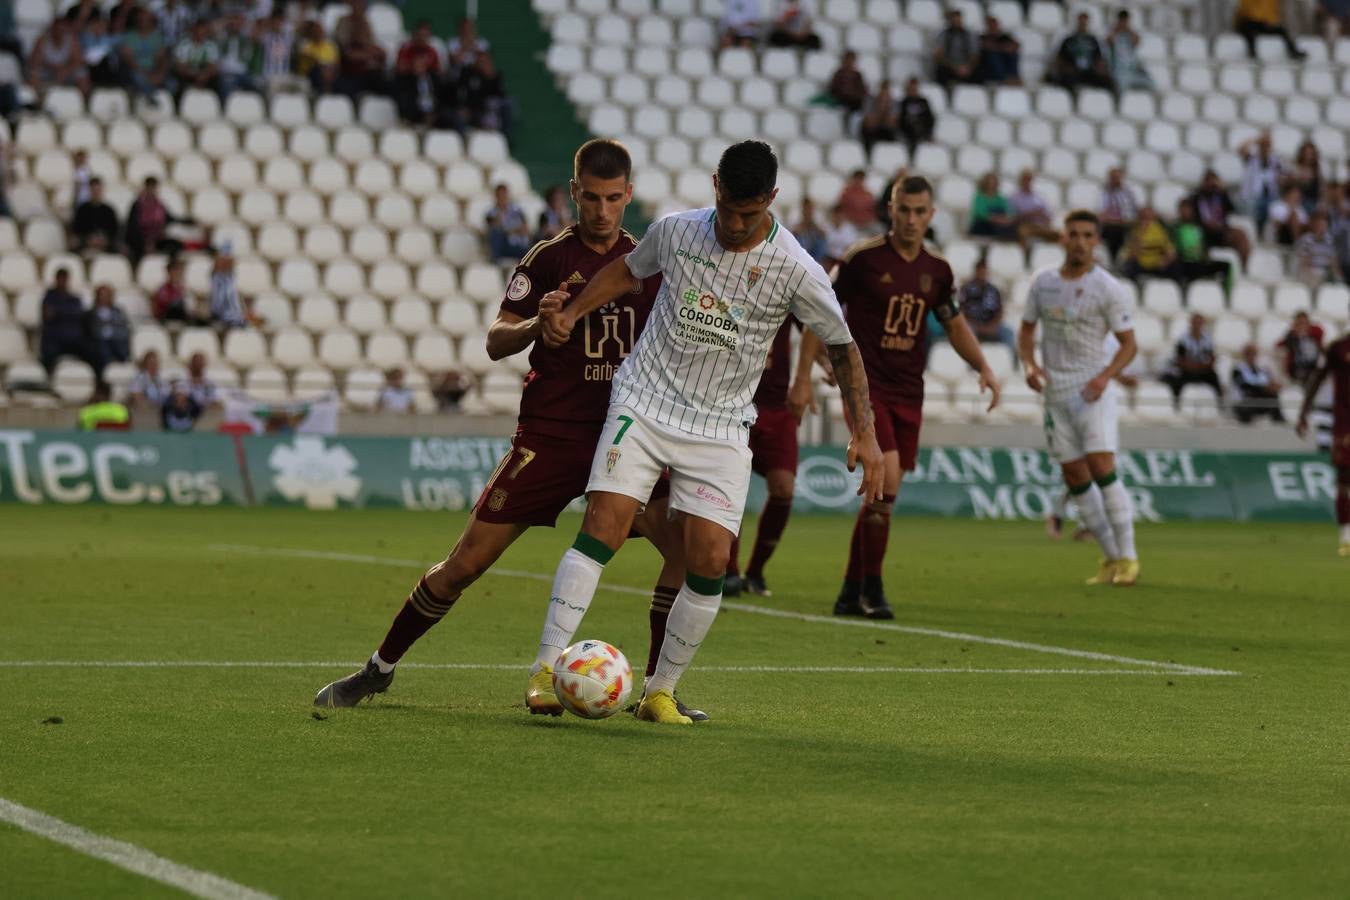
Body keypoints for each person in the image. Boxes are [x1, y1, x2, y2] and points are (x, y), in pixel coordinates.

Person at [312, 140, 703, 720]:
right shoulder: (548, 258)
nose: (600, 210)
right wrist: (535, 328)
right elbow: (496, 340)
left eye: (613, 199)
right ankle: (380, 668)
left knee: (691, 551)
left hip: (627, 437)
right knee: (465, 563)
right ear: (573, 192)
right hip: (552, 435)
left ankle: (656, 690)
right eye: (590, 198)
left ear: (628, 195)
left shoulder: (650, 262)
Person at [523, 140, 885, 724]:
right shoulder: (676, 231)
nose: (736, 225)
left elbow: (843, 349)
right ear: (714, 185)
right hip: (644, 402)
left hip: (720, 428)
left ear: (772, 199)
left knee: (712, 560)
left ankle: (659, 692)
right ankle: (544, 672)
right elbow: (623, 272)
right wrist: (571, 312)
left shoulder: (796, 267)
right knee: (604, 526)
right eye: (728, 209)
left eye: (750, 213)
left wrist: (862, 431)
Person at [802, 176, 1001, 618]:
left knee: (881, 496)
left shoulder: (937, 270)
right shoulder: (863, 259)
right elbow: (821, 310)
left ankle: (850, 591)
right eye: (903, 209)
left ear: (932, 215)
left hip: (911, 389)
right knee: (885, 482)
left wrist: (983, 366)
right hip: (867, 387)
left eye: (920, 211)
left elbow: (953, 323)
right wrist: (810, 369)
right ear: (890, 209)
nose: (911, 219)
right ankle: (874, 589)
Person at [1019, 210, 1140, 586]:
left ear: (1096, 241)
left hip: (1091, 392)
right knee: (1074, 476)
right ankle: (1108, 558)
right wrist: (1030, 366)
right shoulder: (1042, 283)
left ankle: (1130, 558)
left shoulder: (1108, 287)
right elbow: (1025, 332)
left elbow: (1129, 345)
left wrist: (1106, 377)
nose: (1080, 241)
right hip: (1055, 394)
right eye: (1074, 234)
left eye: (1088, 235)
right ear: (1062, 239)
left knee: (1103, 468)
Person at [1295, 330, 1350, 555]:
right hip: (1345, 422)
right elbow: (1318, 377)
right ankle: (1346, 536)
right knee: (1344, 478)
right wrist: (1303, 412)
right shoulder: (1338, 347)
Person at [40, 268, 100, 376]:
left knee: (94, 351)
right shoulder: (49, 297)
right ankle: (49, 380)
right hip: (55, 340)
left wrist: (58, 312)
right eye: (60, 279)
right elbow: (48, 315)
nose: (62, 282)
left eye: (64, 279)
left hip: (74, 340)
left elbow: (80, 315)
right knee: (48, 354)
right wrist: (70, 313)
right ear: (56, 280)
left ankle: (97, 384)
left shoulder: (74, 298)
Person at [959, 258, 1018, 360]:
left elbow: (1000, 311)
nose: (982, 274)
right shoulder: (966, 288)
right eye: (980, 271)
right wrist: (978, 327)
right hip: (972, 324)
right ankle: (970, 362)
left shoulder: (994, 289)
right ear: (975, 271)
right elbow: (961, 311)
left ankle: (1013, 363)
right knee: (967, 332)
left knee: (1009, 332)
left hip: (991, 325)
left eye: (984, 271)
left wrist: (992, 326)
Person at [1190, 170, 1251, 265]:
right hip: (1204, 231)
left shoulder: (1221, 196)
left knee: (1240, 234)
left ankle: (1243, 266)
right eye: (1208, 181)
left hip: (1221, 231)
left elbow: (1233, 209)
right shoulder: (1196, 198)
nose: (1211, 185)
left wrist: (1223, 191)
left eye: (1213, 182)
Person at [1161, 314, 1223, 408]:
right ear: (1191, 324)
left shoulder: (1208, 339)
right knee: (1177, 382)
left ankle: (1220, 404)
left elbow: (1212, 359)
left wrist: (1200, 366)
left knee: (1215, 378)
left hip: (1202, 370)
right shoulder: (1183, 339)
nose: (1197, 326)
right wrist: (1196, 366)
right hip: (1187, 370)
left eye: (1199, 323)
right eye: (1195, 323)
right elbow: (1181, 360)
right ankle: (1176, 404)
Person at [125, 176, 189, 265]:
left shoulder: (160, 205)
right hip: (141, 240)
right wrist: (146, 243)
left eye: (154, 188)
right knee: (137, 248)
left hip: (157, 240)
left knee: (176, 245)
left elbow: (170, 218)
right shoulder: (137, 206)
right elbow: (132, 228)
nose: (152, 191)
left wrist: (190, 222)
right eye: (150, 188)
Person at [1174, 198, 1233, 289]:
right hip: (1185, 262)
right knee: (1182, 267)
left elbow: (1205, 245)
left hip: (1199, 261)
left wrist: (1205, 253)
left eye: (1188, 209)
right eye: (1183, 210)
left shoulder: (1199, 228)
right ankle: (1185, 290)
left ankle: (1224, 293)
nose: (1186, 212)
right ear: (1179, 211)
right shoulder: (1176, 228)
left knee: (1225, 266)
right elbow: (1174, 247)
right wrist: (1185, 252)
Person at [28, 16, 91, 98]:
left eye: (62, 29)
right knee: (34, 74)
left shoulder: (72, 40)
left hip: (65, 71)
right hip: (47, 70)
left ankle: (85, 101)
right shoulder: (42, 41)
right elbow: (35, 61)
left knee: (82, 74)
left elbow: (78, 61)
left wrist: (65, 70)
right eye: (57, 28)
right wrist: (53, 68)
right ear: (53, 28)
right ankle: (37, 101)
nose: (60, 31)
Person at [1052, 12, 1113, 92]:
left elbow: (1099, 58)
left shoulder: (1093, 40)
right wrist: (1066, 67)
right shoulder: (1069, 40)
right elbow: (1060, 58)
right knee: (1066, 79)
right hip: (1073, 71)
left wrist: (1099, 68)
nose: (1083, 24)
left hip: (1089, 72)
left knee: (1107, 80)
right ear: (1077, 22)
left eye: (1085, 22)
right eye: (1081, 22)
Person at [1239, 133, 1282, 241]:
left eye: (1267, 144)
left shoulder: (1275, 160)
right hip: (1253, 196)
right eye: (1263, 144)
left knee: (1276, 210)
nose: (1265, 147)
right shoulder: (1252, 157)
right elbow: (1240, 149)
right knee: (1255, 211)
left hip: (1271, 196)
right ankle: (1256, 236)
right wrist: (1255, 140)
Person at [1122, 206, 1181, 284]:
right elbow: (1132, 256)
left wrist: (1166, 260)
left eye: (1149, 218)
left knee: (1176, 266)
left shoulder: (1159, 231)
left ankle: (1174, 290)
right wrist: (1140, 235)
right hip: (1141, 264)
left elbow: (1171, 252)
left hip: (1157, 264)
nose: (1146, 221)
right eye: (1143, 218)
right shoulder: (1134, 232)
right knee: (1130, 267)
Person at [119, 8, 169, 99]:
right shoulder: (129, 37)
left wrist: (160, 73)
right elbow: (127, 58)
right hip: (136, 70)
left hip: (153, 70)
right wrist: (143, 73)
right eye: (140, 19)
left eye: (146, 19)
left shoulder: (157, 37)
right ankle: (151, 97)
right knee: (137, 78)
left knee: (171, 83)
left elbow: (161, 58)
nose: (143, 22)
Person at [1235, 0, 1307, 60]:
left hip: (1262, 23)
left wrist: (1270, 22)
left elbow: (1272, 12)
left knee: (1282, 30)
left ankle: (1292, 51)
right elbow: (1246, 10)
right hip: (1247, 21)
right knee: (1250, 30)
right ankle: (1252, 52)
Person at [1231, 344, 1284, 423]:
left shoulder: (1262, 370)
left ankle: (1279, 421)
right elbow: (1243, 386)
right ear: (1244, 355)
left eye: (1253, 354)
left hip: (1260, 402)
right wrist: (1263, 387)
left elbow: (1270, 383)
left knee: (1273, 397)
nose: (1251, 356)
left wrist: (1274, 385)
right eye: (1249, 354)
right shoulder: (1238, 370)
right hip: (1244, 402)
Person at [1010, 169, 1060, 246]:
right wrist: (1032, 213)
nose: (1027, 182)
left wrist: (1043, 216)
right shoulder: (1014, 197)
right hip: (1026, 226)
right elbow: (1013, 217)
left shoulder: (1039, 196)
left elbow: (1049, 215)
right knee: (1023, 233)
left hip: (1041, 226)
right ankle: (1024, 256)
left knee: (1060, 235)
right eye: (1025, 179)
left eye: (1029, 179)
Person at [85, 284, 130, 369]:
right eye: (102, 295)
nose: (104, 298)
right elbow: (93, 332)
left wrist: (108, 332)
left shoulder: (119, 312)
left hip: (117, 346)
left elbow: (124, 330)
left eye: (107, 295)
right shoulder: (89, 314)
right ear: (97, 297)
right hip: (99, 351)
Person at [1098, 168, 1139, 261]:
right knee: (1113, 231)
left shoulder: (1128, 193)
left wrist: (1122, 220)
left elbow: (1133, 213)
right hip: (1110, 226)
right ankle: (1113, 259)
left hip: (1127, 224)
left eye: (1117, 177)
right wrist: (1117, 220)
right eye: (1113, 177)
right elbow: (1101, 215)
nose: (1115, 180)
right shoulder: (1103, 193)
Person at [1295, 209, 1342, 289]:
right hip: (1310, 272)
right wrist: (1312, 274)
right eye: (1319, 225)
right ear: (1314, 225)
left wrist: (1337, 275)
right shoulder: (1306, 240)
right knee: (1315, 281)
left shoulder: (1330, 241)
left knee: (1339, 283)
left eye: (1324, 225)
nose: (1321, 228)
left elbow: (1333, 261)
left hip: (1325, 273)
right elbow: (1304, 262)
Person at [71, 177, 119, 255]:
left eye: (98, 190)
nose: (96, 192)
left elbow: (114, 231)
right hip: (85, 243)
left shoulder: (109, 210)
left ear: (101, 190)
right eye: (93, 190)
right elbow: (77, 230)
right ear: (89, 190)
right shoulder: (82, 210)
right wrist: (88, 239)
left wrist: (103, 239)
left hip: (105, 245)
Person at [1106, 10, 1152, 91]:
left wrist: (1128, 29)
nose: (1124, 23)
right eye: (1122, 20)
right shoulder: (1114, 34)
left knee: (1151, 84)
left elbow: (1137, 41)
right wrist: (1117, 29)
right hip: (1118, 71)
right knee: (1122, 87)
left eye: (1126, 20)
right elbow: (1109, 41)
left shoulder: (1130, 34)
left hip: (1132, 70)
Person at [485, 183, 531, 262]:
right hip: (504, 245)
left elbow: (525, 228)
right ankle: (496, 260)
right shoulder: (492, 213)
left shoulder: (517, 211)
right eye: (500, 195)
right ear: (496, 196)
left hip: (518, 244)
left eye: (504, 195)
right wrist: (514, 230)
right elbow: (496, 228)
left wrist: (510, 230)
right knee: (496, 233)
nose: (503, 198)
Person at [934, 8, 979, 87]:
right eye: (953, 19)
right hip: (950, 66)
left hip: (966, 67)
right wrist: (954, 67)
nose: (956, 22)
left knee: (979, 71)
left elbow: (974, 55)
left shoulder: (969, 35)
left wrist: (967, 67)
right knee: (941, 70)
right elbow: (939, 56)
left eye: (957, 19)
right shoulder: (944, 35)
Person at [172, 21, 220, 93]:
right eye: (198, 32)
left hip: (205, 76)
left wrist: (204, 75)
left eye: (203, 32)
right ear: (193, 31)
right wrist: (194, 75)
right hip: (188, 76)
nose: (200, 34)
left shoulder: (211, 46)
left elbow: (213, 66)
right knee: (176, 83)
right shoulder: (184, 45)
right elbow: (180, 66)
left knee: (218, 81)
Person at [1279, 310, 1325, 383]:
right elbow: (1279, 345)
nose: (1302, 326)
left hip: (1313, 368)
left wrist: (1306, 333)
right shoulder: (1291, 336)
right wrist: (1295, 334)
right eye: (1299, 323)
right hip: (1296, 369)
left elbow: (1320, 336)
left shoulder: (1315, 333)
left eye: (1304, 323)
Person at [969, 172, 1016, 240]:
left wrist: (1006, 219)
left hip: (999, 225)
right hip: (984, 225)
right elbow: (981, 214)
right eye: (990, 183)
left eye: (994, 183)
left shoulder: (1000, 198)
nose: (992, 185)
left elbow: (1010, 212)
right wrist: (997, 219)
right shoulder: (980, 197)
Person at [208, 246, 247, 328]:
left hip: (233, 316)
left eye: (228, 261)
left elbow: (236, 303)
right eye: (223, 261)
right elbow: (216, 304)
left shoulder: (233, 279)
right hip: (218, 316)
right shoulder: (214, 280)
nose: (225, 264)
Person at [896, 78, 934, 158]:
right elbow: (900, 120)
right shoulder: (903, 102)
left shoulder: (924, 102)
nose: (913, 91)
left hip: (922, 133)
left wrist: (928, 133)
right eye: (911, 89)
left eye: (914, 89)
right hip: (907, 134)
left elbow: (929, 119)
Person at [979, 14, 1021, 85]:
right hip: (990, 69)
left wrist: (998, 48)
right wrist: (1004, 48)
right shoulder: (983, 37)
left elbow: (1016, 46)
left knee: (1013, 55)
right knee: (993, 56)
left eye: (995, 24)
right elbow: (986, 46)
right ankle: (1006, 79)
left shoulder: (1004, 36)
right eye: (991, 25)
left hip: (1005, 64)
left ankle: (1013, 77)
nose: (994, 26)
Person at [858, 79, 897, 154]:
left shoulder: (894, 102)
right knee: (867, 130)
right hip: (872, 130)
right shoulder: (869, 101)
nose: (884, 93)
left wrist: (886, 109)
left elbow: (892, 123)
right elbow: (868, 122)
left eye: (886, 91)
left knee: (891, 132)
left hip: (886, 130)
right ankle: (868, 154)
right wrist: (879, 108)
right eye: (882, 90)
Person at [791, 196, 827, 262]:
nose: (808, 210)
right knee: (797, 238)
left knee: (821, 241)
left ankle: (817, 263)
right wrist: (804, 225)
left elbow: (824, 234)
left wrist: (813, 225)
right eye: (806, 208)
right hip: (803, 249)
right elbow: (793, 232)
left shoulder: (818, 216)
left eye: (810, 208)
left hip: (814, 250)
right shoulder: (794, 214)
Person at [1293, 141, 1323, 213]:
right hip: (1300, 202)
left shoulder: (1317, 170)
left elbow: (1321, 189)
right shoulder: (1296, 168)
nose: (1308, 156)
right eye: (1306, 153)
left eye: (1310, 153)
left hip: (1314, 201)